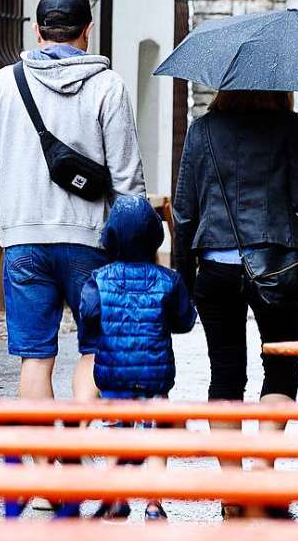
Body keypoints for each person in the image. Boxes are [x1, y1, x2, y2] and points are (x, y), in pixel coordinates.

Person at [0, 0, 146, 403]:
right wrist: (136, 245)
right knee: (95, 347)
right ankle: (76, 441)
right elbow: (128, 179)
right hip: (90, 242)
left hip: (23, 240)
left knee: (35, 357)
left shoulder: (3, 84)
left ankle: (44, 459)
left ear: (36, 31)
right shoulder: (108, 87)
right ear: (88, 31)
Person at [173, 89, 298, 519]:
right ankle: (260, 470)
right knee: (282, 366)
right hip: (276, 266)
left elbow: (183, 212)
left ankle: (232, 485)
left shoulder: (202, 131)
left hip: (215, 267)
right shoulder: (288, 126)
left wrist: (184, 278)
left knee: (226, 374)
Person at [80, 195, 195, 521]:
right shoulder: (168, 280)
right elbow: (184, 321)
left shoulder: (98, 280)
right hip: (155, 377)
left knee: (118, 433)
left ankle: (116, 498)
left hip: (112, 374)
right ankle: (154, 504)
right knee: (157, 435)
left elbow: (88, 316)